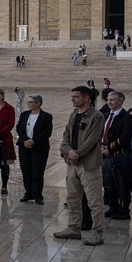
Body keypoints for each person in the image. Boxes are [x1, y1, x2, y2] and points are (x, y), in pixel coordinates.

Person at [54, 86, 106, 246]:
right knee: (72, 199)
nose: (72, 99)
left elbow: (92, 139)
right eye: (72, 96)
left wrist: (77, 153)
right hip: (72, 164)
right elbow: (66, 135)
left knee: (94, 201)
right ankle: (73, 228)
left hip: (88, 164)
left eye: (76, 97)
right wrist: (68, 150)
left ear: (87, 98)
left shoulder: (97, 116)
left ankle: (97, 232)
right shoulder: (73, 114)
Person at [100, 91, 132, 220]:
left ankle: (124, 209)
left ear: (121, 101)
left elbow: (124, 138)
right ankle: (113, 206)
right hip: (105, 155)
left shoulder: (127, 117)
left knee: (122, 184)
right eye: (108, 100)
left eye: (113, 100)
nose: (109, 102)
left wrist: (109, 148)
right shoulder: (105, 115)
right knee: (109, 183)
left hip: (120, 156)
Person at [16, 95, 53, 204]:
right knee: (26, 170)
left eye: (31, 102)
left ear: (38, 103)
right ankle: (28, 193)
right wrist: (26, 140)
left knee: (37, 172)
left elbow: (47, 132)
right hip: (24, 146)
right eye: (28, 102)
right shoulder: (24, 115)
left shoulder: (46, 116)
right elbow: (19, 128)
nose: (28, 104)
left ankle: (37, 195)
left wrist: (34, 141)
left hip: (39, 148)